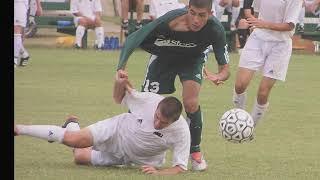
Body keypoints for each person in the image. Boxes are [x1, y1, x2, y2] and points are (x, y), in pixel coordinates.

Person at [116, 0, 230, 171]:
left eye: (202, 15)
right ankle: (129, 145)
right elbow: (134, 37)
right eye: (192, 13)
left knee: (191, 102)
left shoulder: (215, 29)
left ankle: (195, 152)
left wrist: (218, 76)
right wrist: (121, 67)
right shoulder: (170, 20)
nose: (196, 20)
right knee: (146, 104)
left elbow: (226, 69)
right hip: (163, 57)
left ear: (210, 14)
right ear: (187, 9)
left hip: (192, 60)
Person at [14, 73, 191, 175]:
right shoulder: (149, 100)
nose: (157, 123)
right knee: (73, 140)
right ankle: (19, 129)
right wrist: (120, 81)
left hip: (127, 158)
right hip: (117, 130)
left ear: (175, 121)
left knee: (79, 158)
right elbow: (119, 96)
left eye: (163, 123)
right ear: (157, 107)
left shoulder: (182, 131)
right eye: (156, 117)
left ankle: (72, 123)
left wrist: (158, 173)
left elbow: (180, 167)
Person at [232, 0, 303, 130]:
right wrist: (259, 26)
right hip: (258, 39)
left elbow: (289, 26)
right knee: (240, 85)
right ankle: (239, 118)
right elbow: (257, 11)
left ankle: (250, 128)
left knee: (263, 93)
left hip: (280, 45)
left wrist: (263, 24)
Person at [14, 0, 42, 67]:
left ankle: (14, 60)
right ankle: (24, 54)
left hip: (19, 4)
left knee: (17, 31)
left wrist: (38, 6)